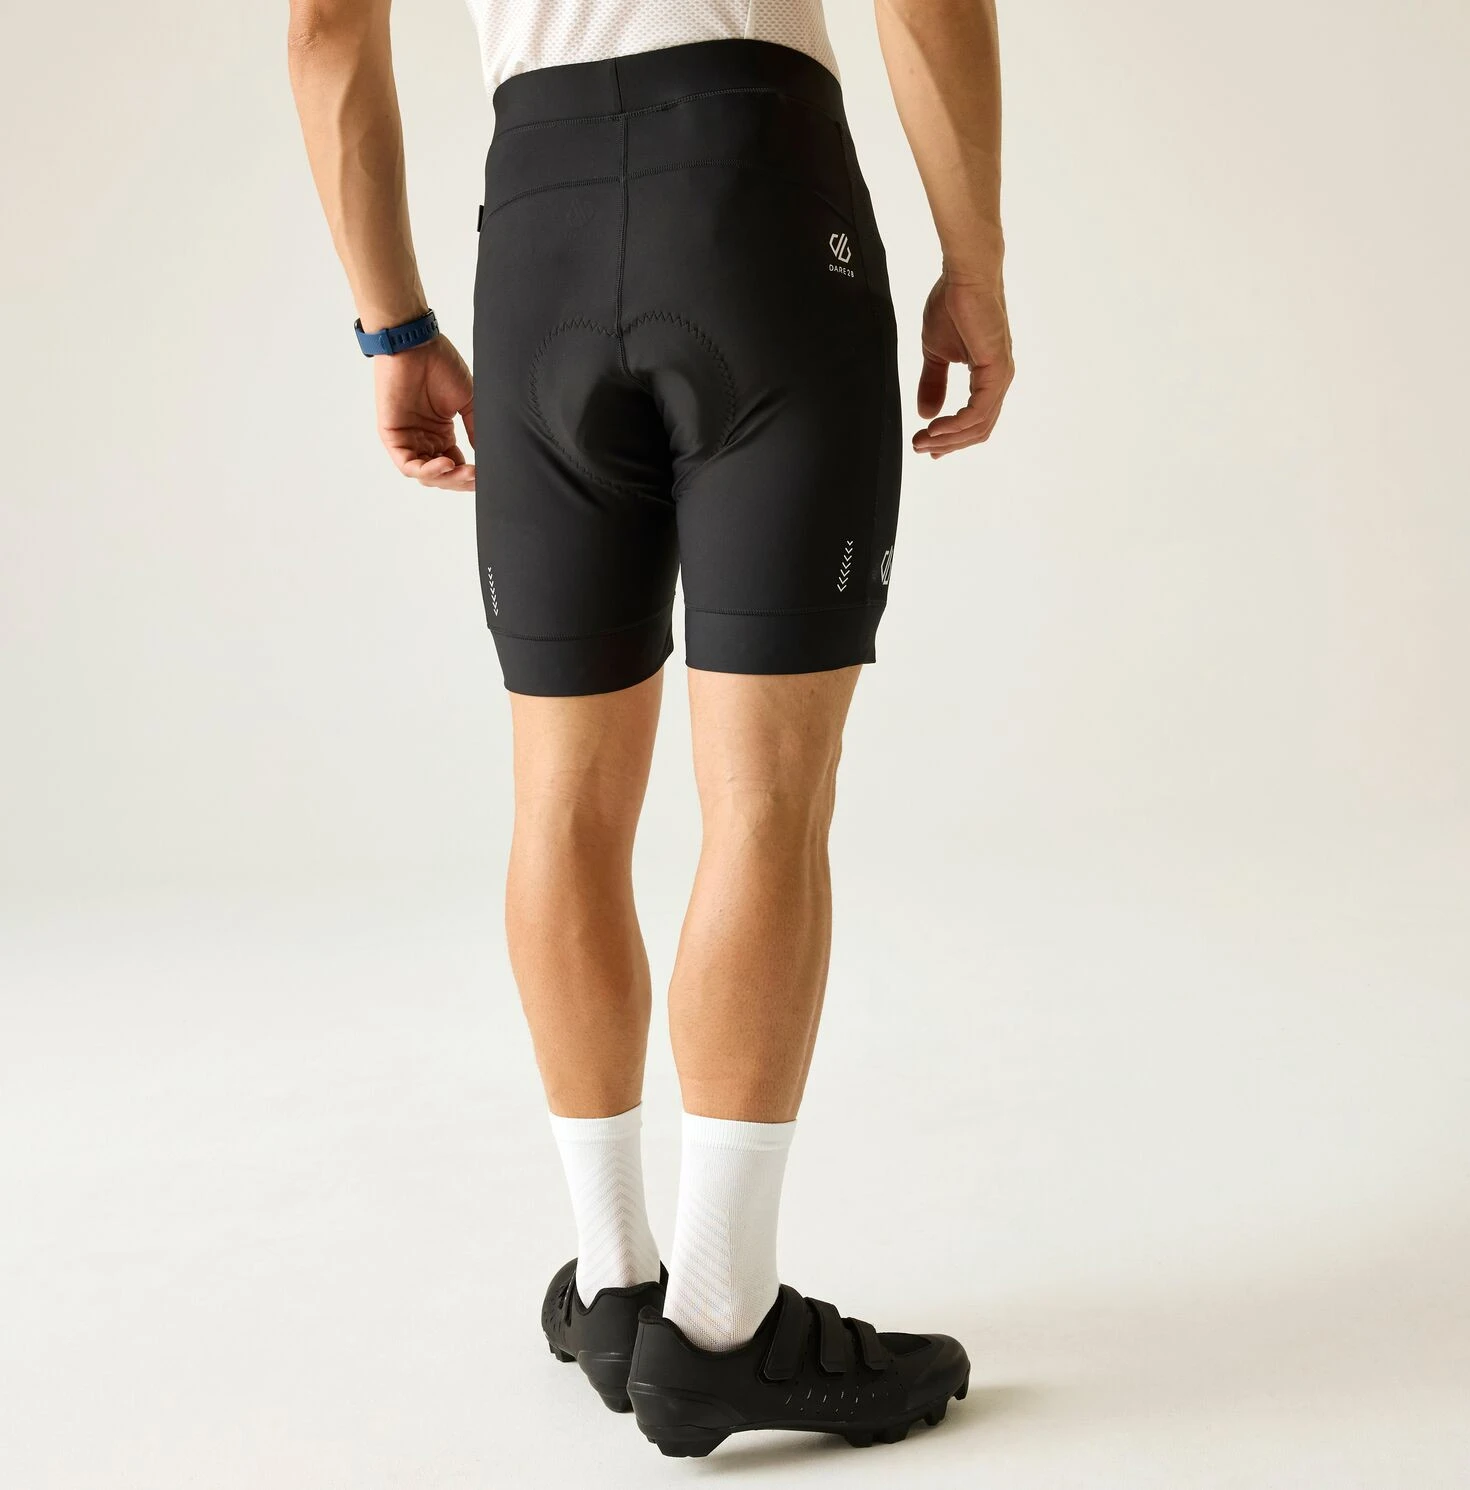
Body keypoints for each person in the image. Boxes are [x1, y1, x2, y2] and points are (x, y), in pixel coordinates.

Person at [287, 0, 1013, 1458]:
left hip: (537, 229)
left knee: (561, 802)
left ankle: (616, 1281)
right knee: (764, 801)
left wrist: (395, 325)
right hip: (757, 205)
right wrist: (974, 263)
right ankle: (722, 1326)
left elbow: (323, 31)